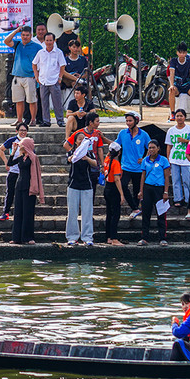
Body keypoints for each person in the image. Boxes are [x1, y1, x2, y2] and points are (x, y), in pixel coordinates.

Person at [64, 117, 100, 246]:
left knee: (87, 212)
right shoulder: (73, 152)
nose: (81, 141)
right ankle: (72, 237)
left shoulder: (88, 153)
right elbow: (69, 159)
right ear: (76, 142)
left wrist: (86, 158)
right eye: (79, 139)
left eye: (82, 139)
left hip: (86, 185)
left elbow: (95, 164)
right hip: (73, 184)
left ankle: (87, 237)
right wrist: (74, 157)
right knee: (72, 211)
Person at [3, 25, 42, 128]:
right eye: (23, 35)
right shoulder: (18, 44)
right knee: (18, 100)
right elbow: (6, 41)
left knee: (32, 100)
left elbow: (42, 60)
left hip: (30, 76)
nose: (25, 37)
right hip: (17, 76)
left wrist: (38, 75)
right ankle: (19, 120)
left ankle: (33, 120)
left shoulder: (37, 47)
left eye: (27, 35)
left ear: (31, 35)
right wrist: (16, 31)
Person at [9, 136, 43, 244]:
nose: (20, 147)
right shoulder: (21, 157)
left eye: (21, 146)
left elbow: (28, 167)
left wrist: (22, 154)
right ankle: (16, 237)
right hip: (19, 186)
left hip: (29, 187)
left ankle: (28, 237)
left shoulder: (32, 158)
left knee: (28, 213)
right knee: (18, 212)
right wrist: (13, 151)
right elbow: (10, 163)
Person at [136, 140, 171, 246]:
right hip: (147, 188)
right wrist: (141, 191)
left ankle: (162, 238)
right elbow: (143, 176)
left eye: (153, 147)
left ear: (158, 148)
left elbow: (166, 177)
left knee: (161, 214)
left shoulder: (163, 160)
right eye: (149, 148)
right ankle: (144, 237)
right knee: (146, 214)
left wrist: (166, 191)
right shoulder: (145, 160)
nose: (151, 150)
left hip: (159, 189)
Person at [117, 113, 151, 216]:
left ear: (136, 121)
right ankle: (134, 208)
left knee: (137, 190)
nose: (128, 123)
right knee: (123, 185)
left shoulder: (143, 134)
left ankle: (135, 209)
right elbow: (116, 145)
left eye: (130, 121)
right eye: (127, 121)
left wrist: (145, 158)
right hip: (125, 166)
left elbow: (151, 146)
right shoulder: (123, 133)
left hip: (138, 168)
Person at [165, 108, 190, 217]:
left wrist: (185, 141)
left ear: (185, 117)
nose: (179, 118)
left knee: (187, 180)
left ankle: (188, 199)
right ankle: (178, 199)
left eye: (181, 116)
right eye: (177, 116)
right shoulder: (171, 130)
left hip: (186, 159)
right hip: (175, 158)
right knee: (176, 180)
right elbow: (169, 145)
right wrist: (168, 159)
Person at [32, 31, 64, 128]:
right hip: (43, 81)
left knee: (57, 102)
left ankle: (60, 120)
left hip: (54, 81)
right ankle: (46, 121)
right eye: (47, 40)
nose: (49, 42)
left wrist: (60, 77)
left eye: (50, 40)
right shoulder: (41, 52)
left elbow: (62, 66)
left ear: (54, 41)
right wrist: (36, 76)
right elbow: (34, 64)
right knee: (44, 103)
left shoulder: (58, 52)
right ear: (44, 41)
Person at [0, 123, 28, 222]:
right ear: (17, 131)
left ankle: (22, 212)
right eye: (21, 130)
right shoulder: (12, 140)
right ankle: (5, 212)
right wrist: (6, 162)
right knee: (10, 192)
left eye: (25, 130)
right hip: (14, 170)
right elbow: (0, 149)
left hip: (24, 171)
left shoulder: (28, 141)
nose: (23, 132)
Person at [101, 144, 124, 245]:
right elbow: (117, 179)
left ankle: (108, 237)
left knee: (109, 214)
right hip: (113, 189)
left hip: (107, 188)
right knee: (116, 214)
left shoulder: (106, 160)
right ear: (119, 153)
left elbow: (108, 155)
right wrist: (121, 194)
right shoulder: (115, 163)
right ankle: (114, 238)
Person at [167, 42, 190, 119]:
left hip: (187, 85)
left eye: (183, 53)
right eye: (180, 53)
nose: (182, 55)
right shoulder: (173, 61)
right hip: (177, 85)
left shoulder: (189, 61)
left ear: (186, 53)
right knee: (172, 91)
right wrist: (171, 85)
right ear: (177, 53)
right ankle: (173, 113)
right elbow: (172, 73)